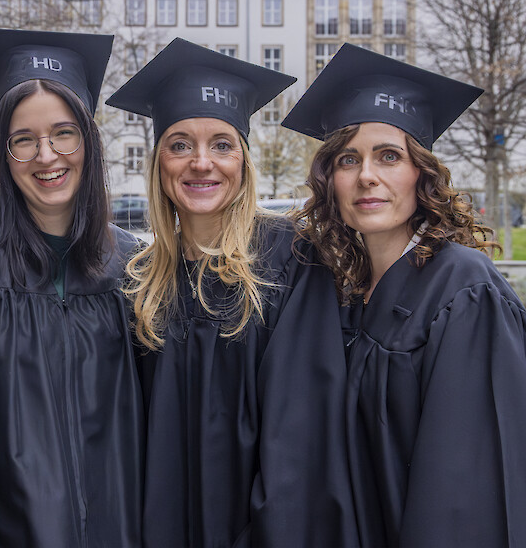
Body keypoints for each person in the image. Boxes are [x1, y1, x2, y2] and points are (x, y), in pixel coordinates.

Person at [106, 38, 359, 547]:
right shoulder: (141, 279)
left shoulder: (290, 259)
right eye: (179, 144)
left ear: (243, 160)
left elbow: (302, 443)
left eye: (222, 144)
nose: (202, 162)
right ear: (159, 162)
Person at [283, 42, 526, 546]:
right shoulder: (346, 288)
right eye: (349, 159)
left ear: (422, 174)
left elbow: (467, 488)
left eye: (389, 156)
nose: (366, 175)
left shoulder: (464, 290)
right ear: (332, 182)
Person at [0, 29, 143, 547]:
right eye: (23, 139)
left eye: (64, 133)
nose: (47, 155)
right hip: (9, 525)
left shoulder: (129, 260)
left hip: (117, 523)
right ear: (3, 150)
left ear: (89, 138)